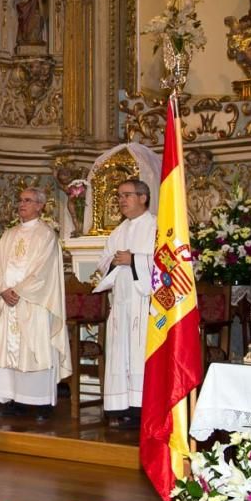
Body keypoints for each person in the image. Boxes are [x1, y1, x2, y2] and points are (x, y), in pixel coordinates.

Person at [0, 189, 71, 419]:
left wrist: (18, 291)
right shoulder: (9, 234)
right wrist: (2, 289)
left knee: (34, 350)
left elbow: (43, 272)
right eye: (20, 200)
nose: (21, 204)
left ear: (40, 206)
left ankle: (39, 402)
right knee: (8, 350)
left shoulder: (47, 236)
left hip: (33, 303)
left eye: (27, 200)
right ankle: (13, 399)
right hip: (7, 301)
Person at [96, 180, 156, 429]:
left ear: (143, 197)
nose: (121, 200)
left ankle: (144, 408)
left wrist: (135, 260)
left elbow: (166, 263)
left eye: (127, 195)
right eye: (119, 195)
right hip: (121, 302)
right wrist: (114, 262)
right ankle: (123, 407)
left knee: (140, 353)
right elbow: (103, 262)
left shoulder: (156, 226)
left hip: (144, 303)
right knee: (121, 354)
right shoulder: (118, 231)